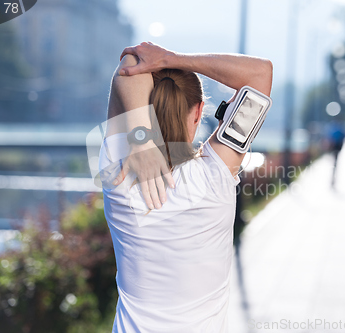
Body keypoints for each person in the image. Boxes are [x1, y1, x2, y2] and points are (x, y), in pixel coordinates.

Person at [98, 42, 272, 333]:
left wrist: (141, 138)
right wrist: (172, 59)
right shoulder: (216, 172)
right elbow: (260, 73)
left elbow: (128, 66)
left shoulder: (120, 172)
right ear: (199, 111)